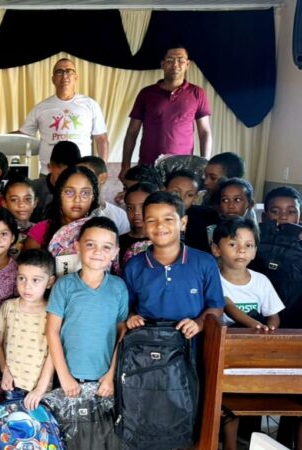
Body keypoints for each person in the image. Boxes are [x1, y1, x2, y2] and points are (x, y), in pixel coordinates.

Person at [210, 218, 284, 450]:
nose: (242, 250)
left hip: (255, 351)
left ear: (254, 251)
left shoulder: (261, 281)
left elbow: (273, 314)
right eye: (233, 244)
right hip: (225, 353)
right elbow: (228, 306)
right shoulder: (213, 279)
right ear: (216, 249)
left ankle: (257, 439)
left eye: (249, 245)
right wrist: (256, 326)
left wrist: (269, 328)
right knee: (229, 403)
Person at [124, 191, 224, 339]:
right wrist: (132, 317)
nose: (159, 226)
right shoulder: (134, 266)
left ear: (183, 223)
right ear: (144, 225)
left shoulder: (204, 262)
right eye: (151, 221)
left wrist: (198, 323)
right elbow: (126, 307)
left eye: (168, 219)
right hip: (146, 347)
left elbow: (216, 307)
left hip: (190, 347)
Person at [46, 217, 128, 397]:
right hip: (68, 378)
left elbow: (122, 334)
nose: (98, 252)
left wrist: (110, 375)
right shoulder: (64, 285)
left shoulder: (119, 287)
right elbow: (52, 332)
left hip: (104, 381)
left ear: (115, 252)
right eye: (90, 244)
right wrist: (64, 375)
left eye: (106, 247)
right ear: (77, 246)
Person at [120, 46, 213, 182]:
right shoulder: (146, 93)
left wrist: (205, 165)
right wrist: (125, 165)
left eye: (181, 60)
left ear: (187, 65)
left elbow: (204, 132)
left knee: (177, 203)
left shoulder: (197, 93)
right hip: (149, 167)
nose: (175, 65)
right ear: (162, 64)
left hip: (182, 169)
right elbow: (132, 132)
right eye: (170, 60)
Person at [18, 58, 109, 176]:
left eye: (69, 71)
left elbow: (102, 139)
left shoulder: (90, 105)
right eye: (59, 71)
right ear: (53, 79)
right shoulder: (41, 107)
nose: (65, 75)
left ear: (76, 77)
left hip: (81, 174)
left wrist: (102, 170)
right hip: (48, 174)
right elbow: (23, 134)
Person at [0, 249, 56, 410]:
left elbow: (53, 353)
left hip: (39, 391)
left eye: (36, 280)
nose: (27, 286)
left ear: (49, 282)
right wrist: (4, 370)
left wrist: (40, 389)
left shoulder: (53, 312)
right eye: (22, 278)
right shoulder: (8, 307)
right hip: (10, 384)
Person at [25, 165, 99, 250]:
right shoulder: (40, 231)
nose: (77, 200)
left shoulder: (101, 232)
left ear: (93, 197)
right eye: (69, 192)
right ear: (59, 194)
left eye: (85, 193)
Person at [77, 156, 129, 234]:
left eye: (86, 175)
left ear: (102, 178)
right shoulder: (72, 212)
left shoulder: (119, 215)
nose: (79, 180)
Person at [31, 141, 81, 222]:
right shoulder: (33, 189)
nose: (65, 181)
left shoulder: (81, 192)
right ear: (49, 167)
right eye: (61, 175)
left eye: (70, 176)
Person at [119, 182, 159, 269]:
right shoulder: (117, 242)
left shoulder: (163, 242)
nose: (136, 212)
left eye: (142, 206)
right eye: (130, 208)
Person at [2, 177, 37, 256]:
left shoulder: (41, 230)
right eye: (14, 200)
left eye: (27, 199)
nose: (21, 205)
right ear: (4, 203)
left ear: (35, 203)